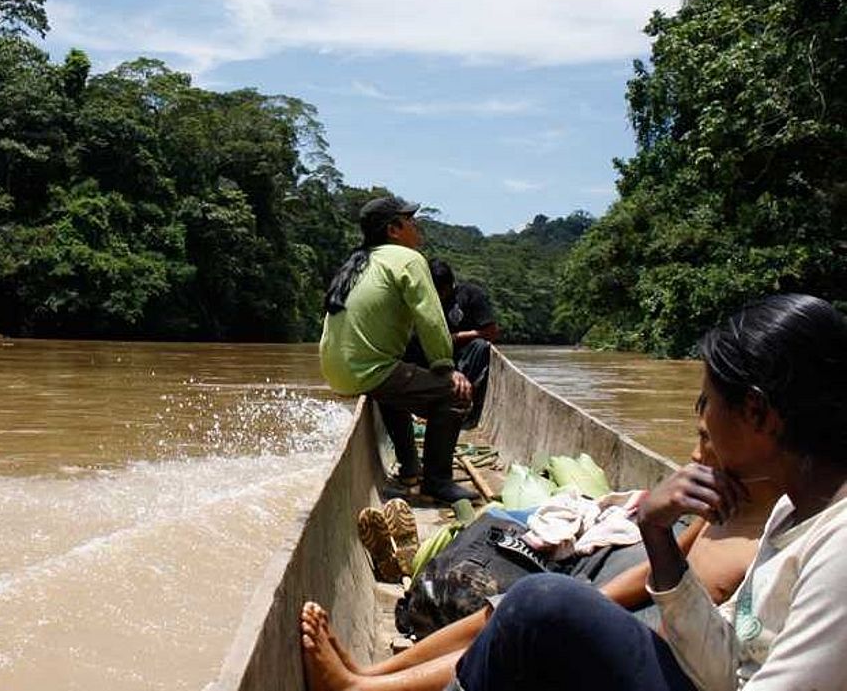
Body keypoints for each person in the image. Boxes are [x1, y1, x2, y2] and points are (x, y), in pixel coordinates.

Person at [306, 293, 847, 691]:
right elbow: (722, 664)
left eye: (708, 405)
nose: (699, 423)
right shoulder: (787, 510)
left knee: (543, 606)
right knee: (535, 603)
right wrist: (655, 532)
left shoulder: (837, 548)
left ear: (756, 412)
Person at [297, 415, 777, 691]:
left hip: (672, 659)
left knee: (531, 613)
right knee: (517, 603)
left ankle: (364, 689)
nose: (694, 456)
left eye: (707, 440)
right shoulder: (729, 507)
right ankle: (373, 673)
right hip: (651, 618)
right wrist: (597, 598)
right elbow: (662, 567)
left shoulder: (780, 534)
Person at [319, 196, 478, 504]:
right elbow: (430, 320)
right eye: (410, 220)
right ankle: (437, 480)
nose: (416, 225)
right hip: (368, 369)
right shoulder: (408, 259)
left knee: (395, 382)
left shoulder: (359, 260)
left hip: (337, 370)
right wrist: (447, 369)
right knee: (455, 394)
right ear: (394, 229)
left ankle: (410, 464)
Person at [428, 260, 498, 427]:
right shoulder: (425, 298)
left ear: (449, 285)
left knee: (481, 346)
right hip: (437, 356)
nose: (438, 295)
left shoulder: (471, 294)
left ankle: (468, 406)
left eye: (441, 291)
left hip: (467, 357)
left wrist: (456, 337)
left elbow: (492, 332)